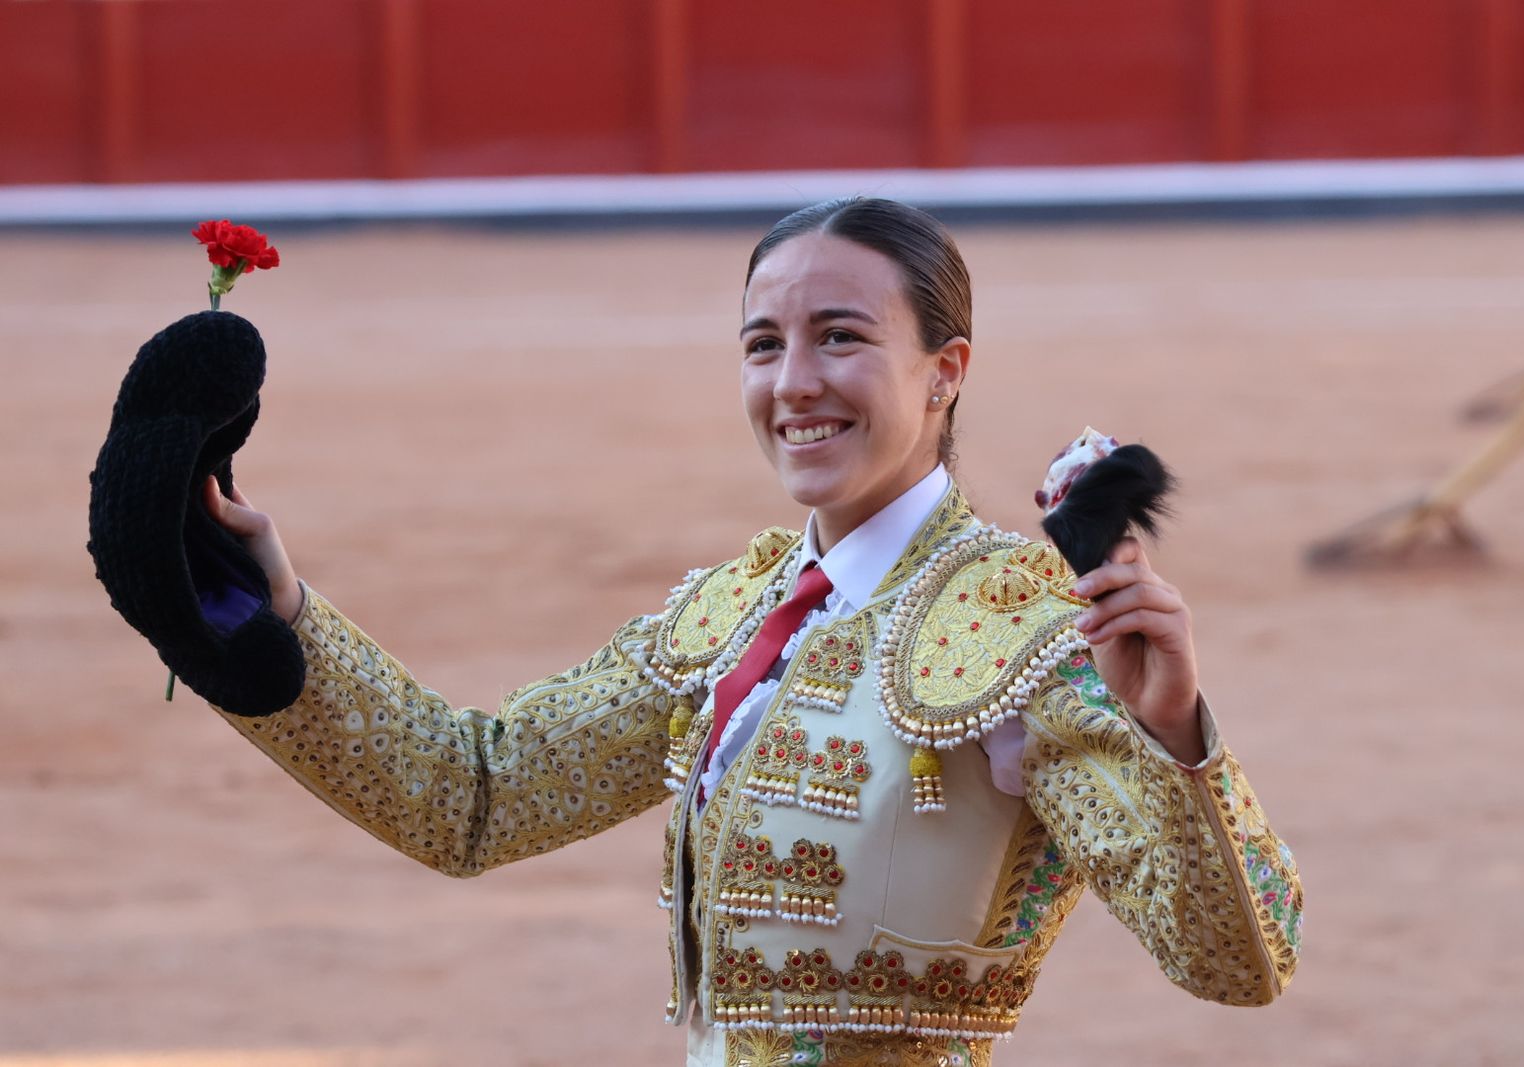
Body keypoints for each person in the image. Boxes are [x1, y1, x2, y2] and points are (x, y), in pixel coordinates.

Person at [202, 197, 1302, 1066]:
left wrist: (1172, 731)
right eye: (762, 344)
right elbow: (472, 797)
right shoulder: (728, 611)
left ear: (945, 372)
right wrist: (264, 607)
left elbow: (1235, 962)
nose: (794, 382)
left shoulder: (1023, 624)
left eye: (840, 338)